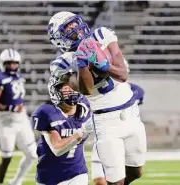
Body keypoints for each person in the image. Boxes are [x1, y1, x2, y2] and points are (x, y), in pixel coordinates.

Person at [47, 11, 147, 185]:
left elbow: (122, 75)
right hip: (106, 120)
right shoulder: (61, 63)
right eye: (68, 28)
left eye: (74, 23)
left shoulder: (102, 35)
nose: (75, 28)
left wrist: (103, 65)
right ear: (59, 39)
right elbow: (86, 89)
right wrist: (82, 63)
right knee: (116, 181)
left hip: (131, 112)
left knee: (136, 171)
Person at [31, 74, 93, 185]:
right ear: (55, 90)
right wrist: (81, 132)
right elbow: (57, 149)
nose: (71, 90)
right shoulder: (46, 112)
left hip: (77, 173)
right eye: (65, 88)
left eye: (73, 86)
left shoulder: (86, 107)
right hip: (49, 178)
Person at [0, 48, 37, 185]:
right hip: (5, 121)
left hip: (21, 119)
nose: (12, 66)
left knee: (32, 154)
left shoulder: (19, 77)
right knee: (7, 157)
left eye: (14, 63)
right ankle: (0, 183)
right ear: (3, 63)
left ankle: (16, 181)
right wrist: (11, 107)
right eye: (9, 63)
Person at [91, 82, 145, 185]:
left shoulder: (136, 89)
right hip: (106, 129)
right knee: (103, 181)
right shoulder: (91, 83)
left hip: (128, 123)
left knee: (135, 172)